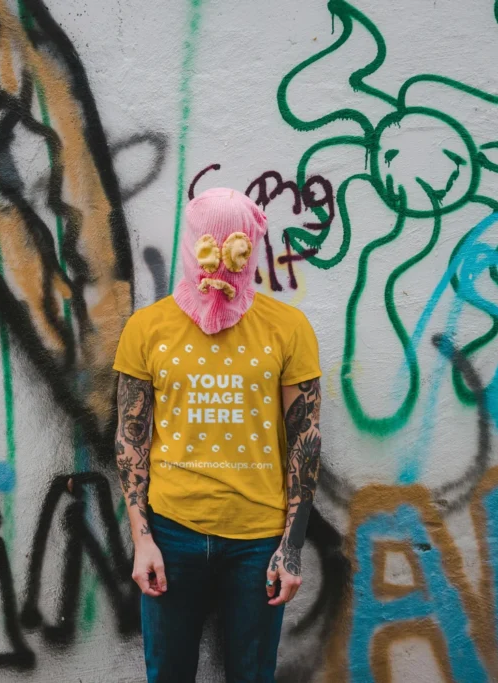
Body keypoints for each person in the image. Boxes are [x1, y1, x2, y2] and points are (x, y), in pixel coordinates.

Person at [112, 187, 322, 683]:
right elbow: (131, 438)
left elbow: (306, 442)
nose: (219, 269)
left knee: (251, 676)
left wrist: (290, 548)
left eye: (235, 249)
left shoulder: (287, 328)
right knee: (168, 675)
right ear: (192, 246)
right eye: (210, 247)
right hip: (172, 534)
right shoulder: (148, 329)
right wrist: (143, 539)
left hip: (257, 543)